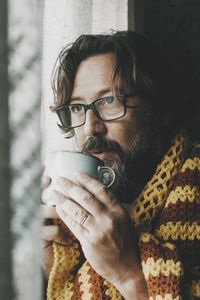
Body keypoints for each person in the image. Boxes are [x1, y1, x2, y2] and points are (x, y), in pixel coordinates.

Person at [41, 30, 200, 299]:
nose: (91, 128)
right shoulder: (73, 231)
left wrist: (128, 274)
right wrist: (49, 268)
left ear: (160, 110)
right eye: (78, 107)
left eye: (110, 101)